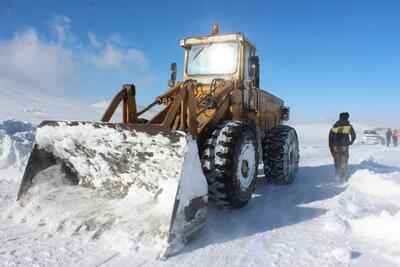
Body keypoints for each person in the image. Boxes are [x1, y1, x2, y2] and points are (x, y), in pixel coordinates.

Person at [329, 112, 356, 182]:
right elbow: (354, 135)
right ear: (347, 117)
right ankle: (343, 177)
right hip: (345, 146)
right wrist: (351, 142)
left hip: (336, 147)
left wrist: (331, 147)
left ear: (340, 117)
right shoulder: (349, 126)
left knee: (337, 160)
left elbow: (330, 137)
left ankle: (337, 175)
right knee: (344, 161)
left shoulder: (334, 126)